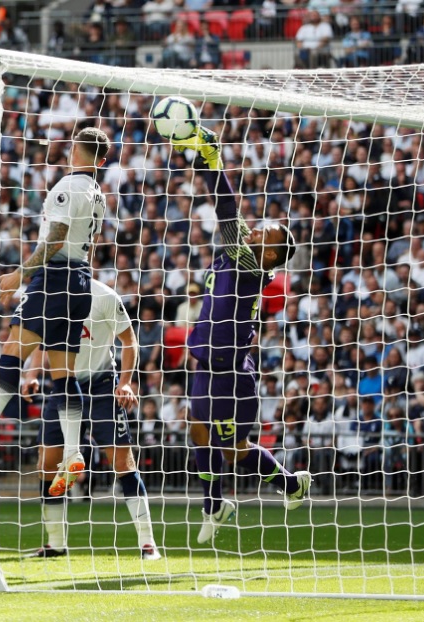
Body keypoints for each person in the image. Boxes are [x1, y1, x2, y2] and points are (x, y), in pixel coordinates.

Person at [0, 127, 110, 499]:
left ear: (73, 150)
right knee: (63, 373)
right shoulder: (98, 193)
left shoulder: (70, 185)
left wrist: (21, 273)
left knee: (11, 353)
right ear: (101, 159)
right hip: (81, 280)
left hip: (54, 278)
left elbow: (56, 236)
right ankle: (72, 451)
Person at [171, 127, 311, 544]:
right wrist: (200, 161)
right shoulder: (232, 257)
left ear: (269, 253)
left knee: (234, 450)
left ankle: (290, 484)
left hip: (233, 377)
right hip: (204, 367)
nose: (255, 230)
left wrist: (211, 161)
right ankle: (214, 505)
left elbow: (228, 209)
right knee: (196, 431)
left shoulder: (252, 266)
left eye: (263, 232)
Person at [21, 279, 161, 560]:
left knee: (122, 462)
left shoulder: (105, 296)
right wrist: (32, 374)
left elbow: (129, 341)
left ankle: (148, 544)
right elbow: (40, 341)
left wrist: (125, 383)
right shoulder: (50, 292)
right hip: (63, 383)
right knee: (47, 464)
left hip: (101, 386)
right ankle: (56, 543)